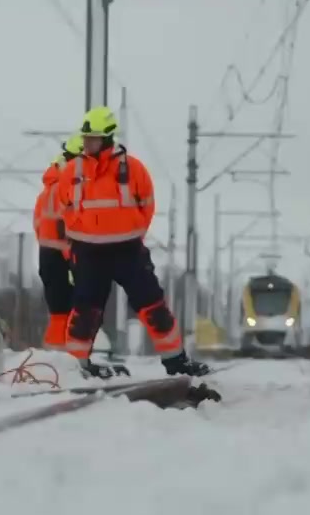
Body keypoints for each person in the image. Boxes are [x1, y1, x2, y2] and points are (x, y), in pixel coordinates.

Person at [53, 106, 211, 380]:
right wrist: (81, 234)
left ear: (107, 138)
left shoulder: (133, 169)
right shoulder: (72, 172)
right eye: (86, 137)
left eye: (93, 138)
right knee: (85, 312)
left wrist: (129, 232)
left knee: (153, 306)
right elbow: (62, 207)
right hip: (88, 253)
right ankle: (76, 366)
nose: (87, 142)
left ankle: (176, 361)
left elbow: (147, 206)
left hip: (127, 250)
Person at [34, 135, 82, 349]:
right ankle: (70, 356)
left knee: (58, 313)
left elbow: (39, 226)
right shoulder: (69, 188)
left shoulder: (46, 192)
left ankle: (55, 355)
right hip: (66, 258)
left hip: (47, 256)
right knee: (75, 311)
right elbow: (69, 228)